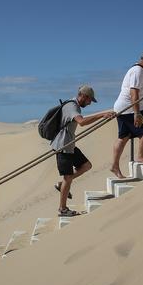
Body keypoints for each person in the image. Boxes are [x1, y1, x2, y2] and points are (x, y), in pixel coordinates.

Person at [51, 85, 115, 217]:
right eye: (90, 100)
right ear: (84, 96)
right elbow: (82, 122)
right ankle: (62, 209)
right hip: (62, 147)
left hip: (70, 146)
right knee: (67, 178)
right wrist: (102, 114)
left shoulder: (74, 105)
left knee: (86, 165)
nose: (90, 103)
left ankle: (61, 185)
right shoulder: (72, 106)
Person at [110, 50, 143, 179]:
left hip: (123, 109)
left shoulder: (137, 70)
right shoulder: (138, 71)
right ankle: (141, 155)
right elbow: (134, 93)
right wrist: (137, 113)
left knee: (124, 136)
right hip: (131, 109)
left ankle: (114, 166)